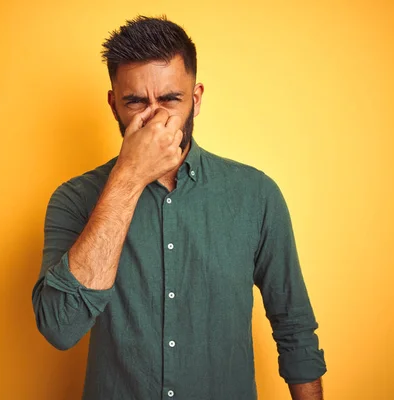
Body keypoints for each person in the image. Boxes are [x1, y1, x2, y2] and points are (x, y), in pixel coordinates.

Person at [32, 15, 327, 400]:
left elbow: (295, 329)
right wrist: (129, 177)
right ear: (113, 105)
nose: (155, 118)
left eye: (171, 99)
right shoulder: (74, 199)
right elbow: (60, 326)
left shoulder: (256, 195)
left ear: (197, 99)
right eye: (135, 101)